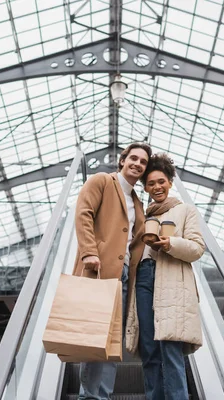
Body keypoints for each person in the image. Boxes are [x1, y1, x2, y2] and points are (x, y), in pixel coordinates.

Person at [72, 142, 152, 400]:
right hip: (99, 269)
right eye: (134, 158)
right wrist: (89, 252)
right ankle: (90, 396)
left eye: (143, 162)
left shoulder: (138, 203)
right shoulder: (102, 181)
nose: (138, 164)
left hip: (125, 275)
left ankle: (101, 396)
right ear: (122, 160)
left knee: (112, 340)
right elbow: (83, 213)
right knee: (96, 334)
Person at [125, 153, 205, 399]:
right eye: (150, 183)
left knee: (170, 347)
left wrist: (170, 244)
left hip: (171, 279)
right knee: (149, 349)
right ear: (145, 187)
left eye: (161, 181)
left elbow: (197, 248)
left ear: (170, 181)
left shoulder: (185, 211)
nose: (157, 187)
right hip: (144, 279)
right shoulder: (142, 213)